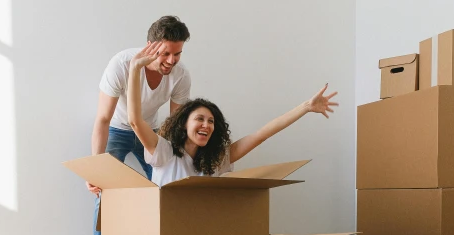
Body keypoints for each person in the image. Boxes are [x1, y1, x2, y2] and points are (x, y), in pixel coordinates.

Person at [127, 42, 338, 186]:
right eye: (199, 119)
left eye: (210, 121)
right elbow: (136, 121)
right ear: (183, 124)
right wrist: (136, 69)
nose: (206, 125)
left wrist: (305, 107)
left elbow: (262, 134)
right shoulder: (164, 152)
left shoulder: (217, 160)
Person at [87, 17, 192, 235]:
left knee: (165, 191)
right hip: (117, 130)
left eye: (177, 53)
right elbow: (101, 119)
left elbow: (175, 127)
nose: (171, 60)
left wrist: (174, 168)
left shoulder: (181, 76)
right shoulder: (121, 65)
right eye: (165, 53)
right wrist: (95, 169)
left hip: (152, 131)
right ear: (149, 46)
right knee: (104, 193)